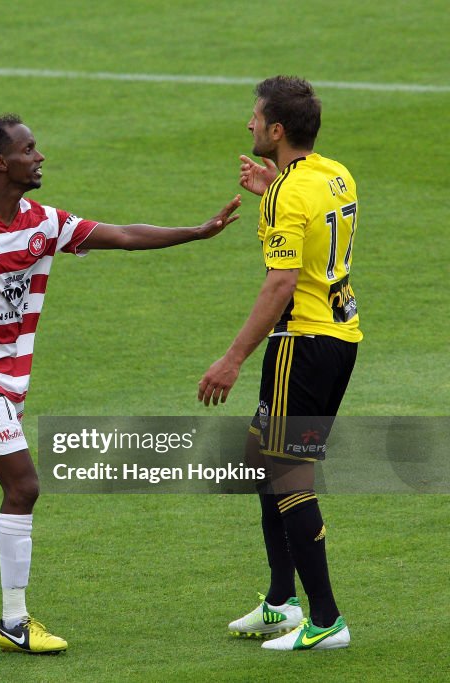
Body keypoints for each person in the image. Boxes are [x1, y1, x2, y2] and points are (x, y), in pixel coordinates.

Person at [0, 113, 241, 653]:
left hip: (6, 382)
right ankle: (15, 622)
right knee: (25, 486)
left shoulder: (43, 222)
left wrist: (196, 232)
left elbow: (125, 235)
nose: (40, 156)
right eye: (29, 148)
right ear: (0, 162)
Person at [198, 76, 360, 651]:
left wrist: (232, 358)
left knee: (287, 473)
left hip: (302, 343)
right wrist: (272, 192)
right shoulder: (332, 173)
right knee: (260, 463)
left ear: (277, 129)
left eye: (255, 117)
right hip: (338, 337)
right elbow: (311, 233)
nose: (248, 124)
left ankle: (325, 619)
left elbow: (281, 283)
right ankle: (280, 603)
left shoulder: (291, 192)